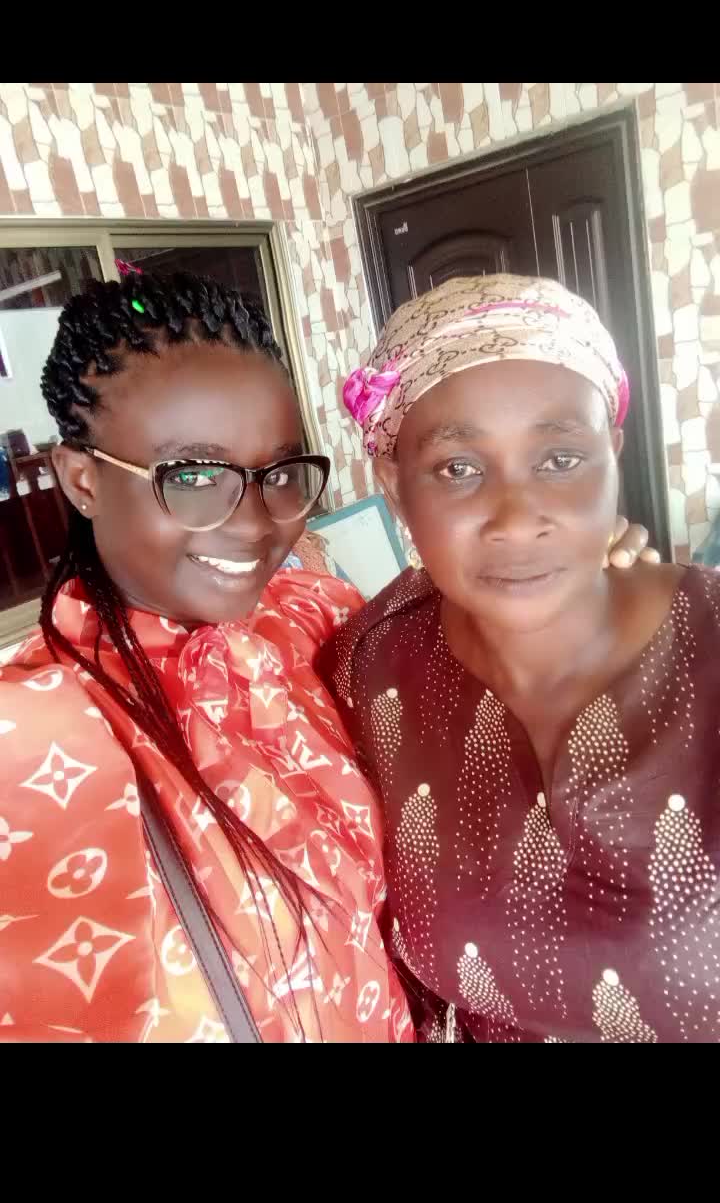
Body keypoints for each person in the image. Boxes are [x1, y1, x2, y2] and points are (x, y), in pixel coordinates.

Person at [0, 269, 412, 1043]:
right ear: (83, 480)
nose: (255, 524)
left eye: (277, 473)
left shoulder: (318, 615)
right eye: (193, 475)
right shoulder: (28, 738)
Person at [318, 273, 720, 1044]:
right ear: (394, 487)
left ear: (613, 455)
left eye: (561, 459)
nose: (516, 518)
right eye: (458, 468)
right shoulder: (371, 665)